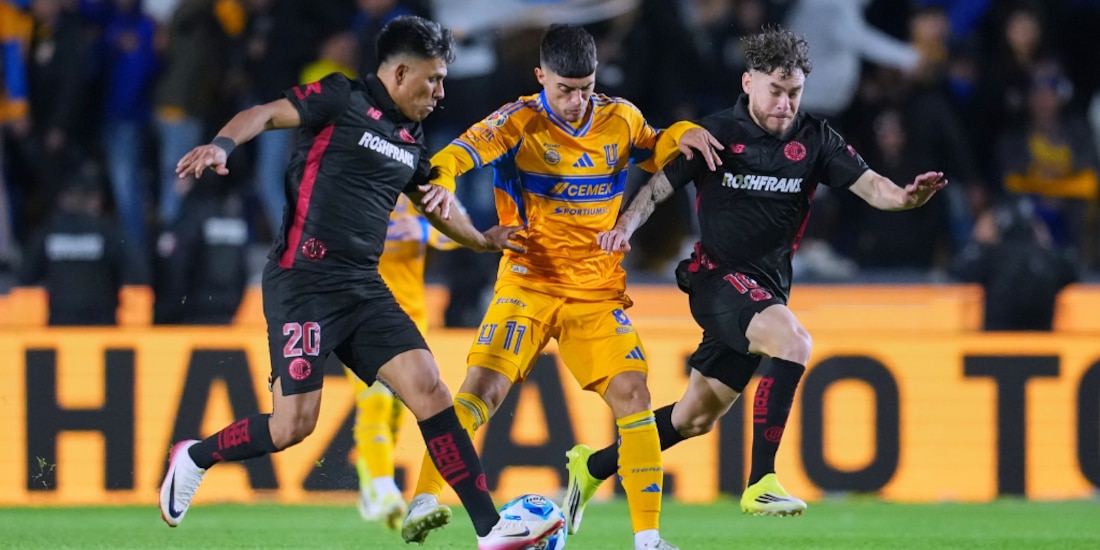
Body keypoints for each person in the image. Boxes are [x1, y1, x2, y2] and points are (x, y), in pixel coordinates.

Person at [159, 16, 564, 550]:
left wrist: (484, 241)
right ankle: (194, 456)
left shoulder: (410, 136)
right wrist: (221, 145)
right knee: (292, 427)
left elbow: (435, 205)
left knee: (431, 390)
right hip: (302, 283)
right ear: (399, 72)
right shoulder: (338, 98)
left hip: (361, 286)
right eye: (434, 79)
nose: (441, 92)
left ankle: (490, 530)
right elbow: (262, 113)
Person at [564, 25, 948, 527]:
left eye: (794, 93)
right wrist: (624, 227)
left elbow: (873, 186)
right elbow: (660, 186)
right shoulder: (716, 135)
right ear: (748, 83)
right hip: (716, 280)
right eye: (776, 91)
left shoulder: (816, 139)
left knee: (694, 418)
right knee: (793, 341)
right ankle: (760, 481)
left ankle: (590, 467)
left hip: (764, 290)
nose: (785, 104)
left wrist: (904, 197)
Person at [399, 24, 722, 550]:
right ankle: (426, 500)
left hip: (595, 290)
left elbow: (656, 145)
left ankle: (648, 539)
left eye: (586, 88)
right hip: (528, 282)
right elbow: (458, 155)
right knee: (480, 391)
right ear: (540, 76)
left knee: (634, 395)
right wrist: (441, 182)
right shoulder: (517, 121)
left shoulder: (620, 119)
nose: (576, 102)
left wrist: (681, 130)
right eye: (564, 90)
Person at [349, 193, 459, 528]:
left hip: (411, 315)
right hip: (361, 311)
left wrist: (424, 230)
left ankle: (370, 480)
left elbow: (460, 228)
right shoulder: (355, 185)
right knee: (376, 400)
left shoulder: (421, 186)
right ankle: (383, 487)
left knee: (399, 406)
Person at [19, 171, 144, 326]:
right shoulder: (108, 232)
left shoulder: (48, 232)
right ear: (96, 200)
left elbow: (25, 278)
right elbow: (137, 275)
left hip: (60, 330)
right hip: (103, 331)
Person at [950, 199, 1078, 331]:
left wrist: (977, 242)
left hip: (994, 347)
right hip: (1044, 348)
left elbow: (958, 271)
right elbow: (1074, 272)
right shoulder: (1050, 259)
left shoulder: (990, 256)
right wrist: (1047, 245)